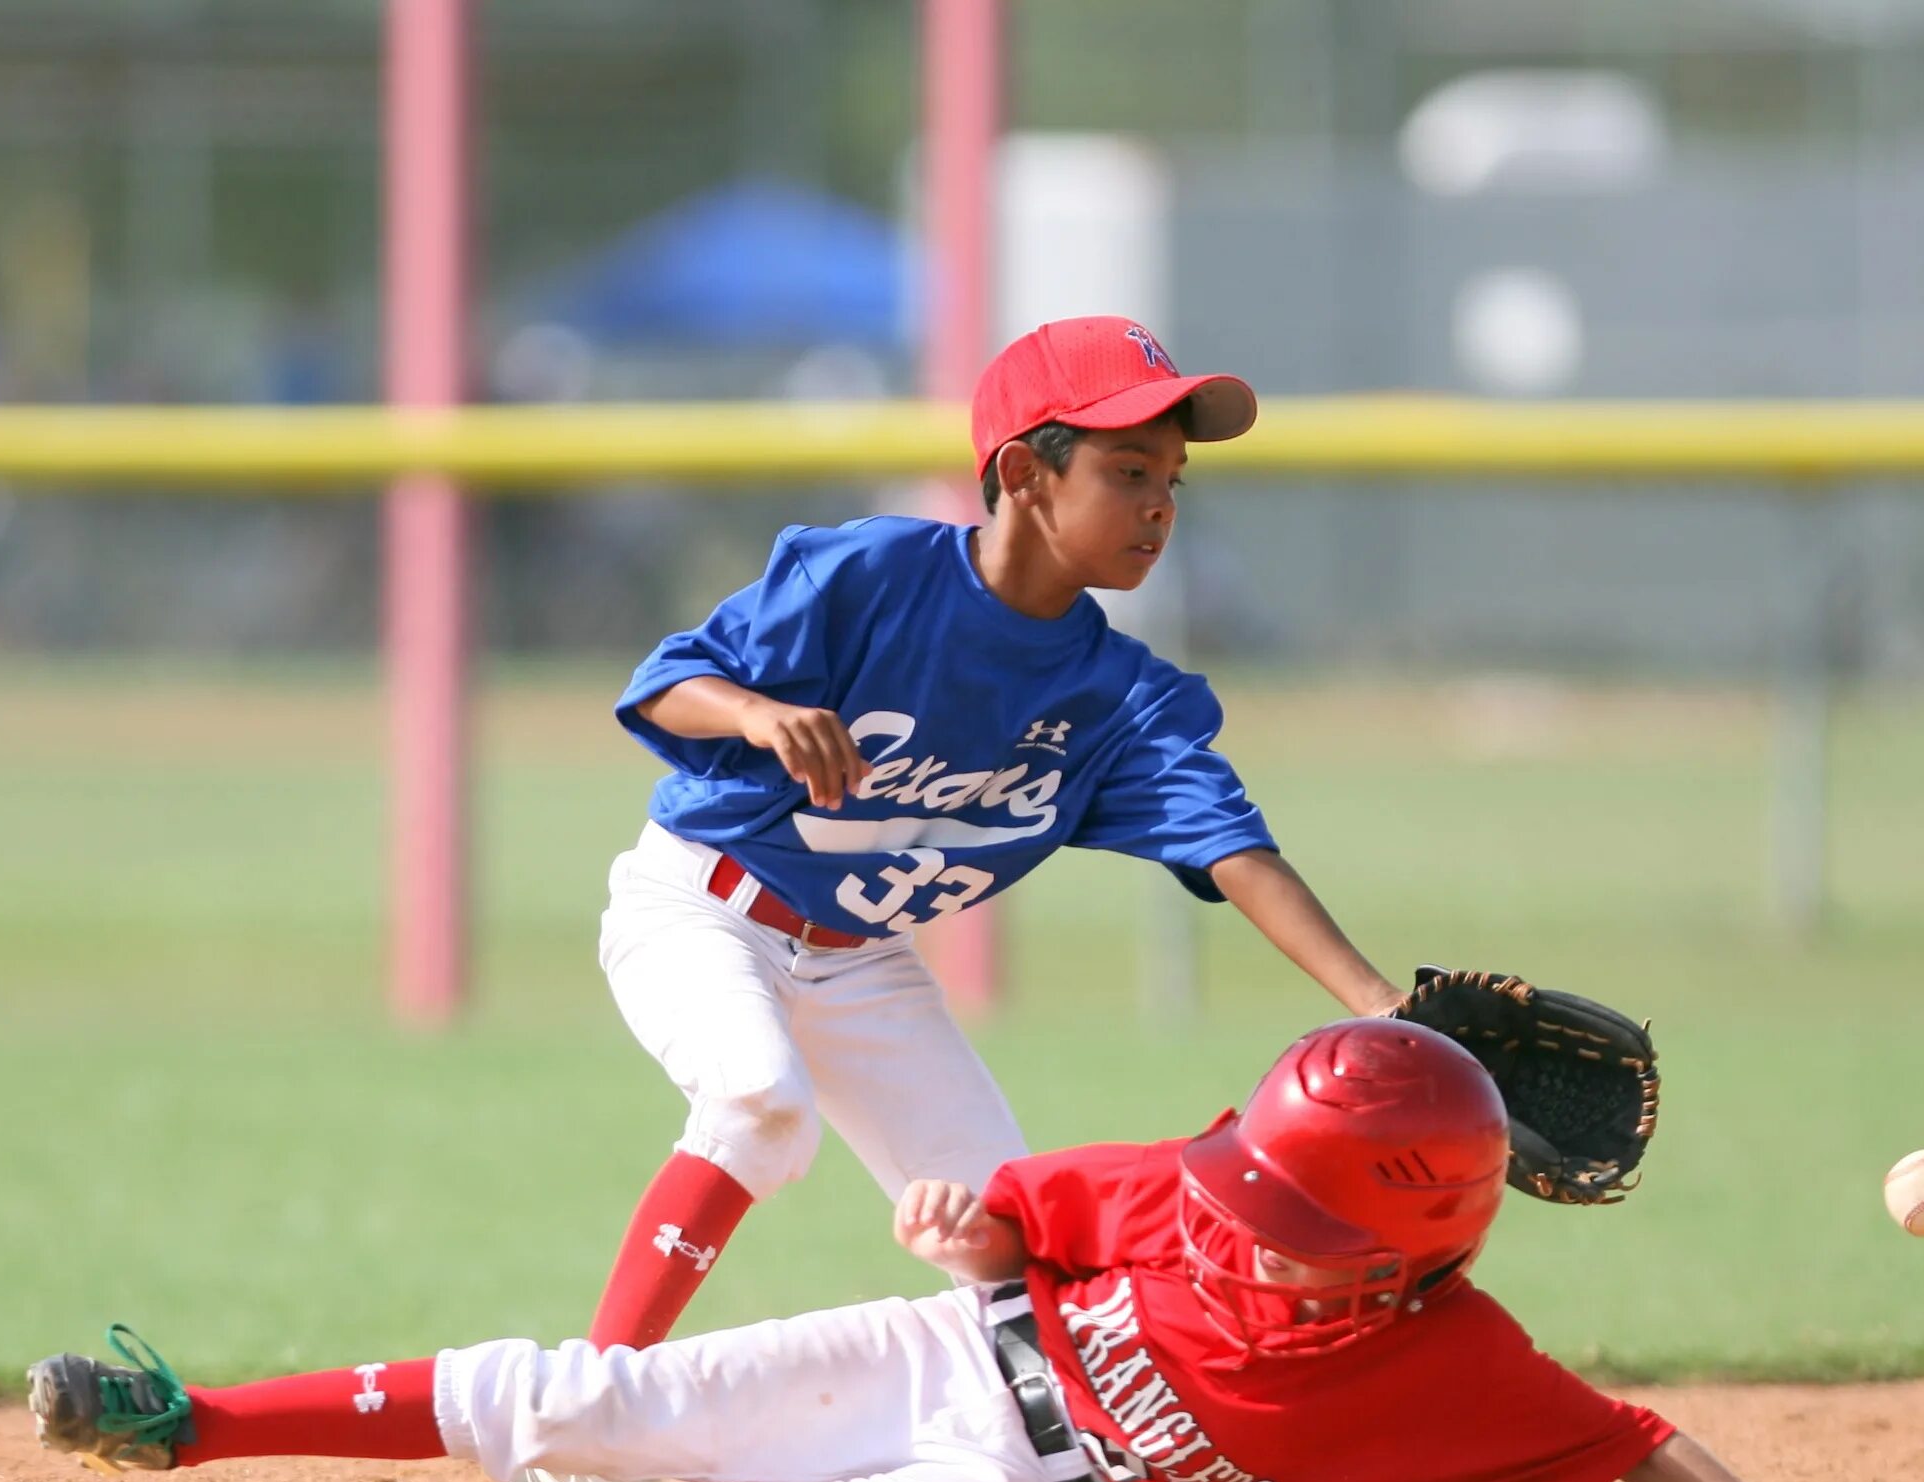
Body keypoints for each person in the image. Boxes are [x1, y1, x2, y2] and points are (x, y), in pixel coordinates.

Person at [26, 1020, 1924, 1482]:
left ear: (1410, 1253)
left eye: (1285, 1214)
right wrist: (962, 1231)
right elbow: (1016, 1227)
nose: (1236, 1214)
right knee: (579, 1389)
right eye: (1247, 1180)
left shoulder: (1465, 1370)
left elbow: (1638, 1448)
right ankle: (184, 1410)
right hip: (938, 1350)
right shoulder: (1187, 1184)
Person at [575, 316, 1399, 1401]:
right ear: (1022, 472)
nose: (1157, 504)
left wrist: (1383, 1008)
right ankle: (582, 1414)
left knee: (1005, 1226)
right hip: (702, 910)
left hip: (860, 961)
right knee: (757, 1102)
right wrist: (759, 713)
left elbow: (1234, 850)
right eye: (1125, 469)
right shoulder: (872, 575)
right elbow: (662, 680)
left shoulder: (1122, 697)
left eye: (1171, 479)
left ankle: (1023, 1481)